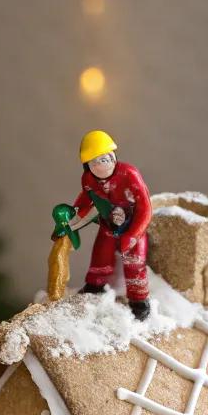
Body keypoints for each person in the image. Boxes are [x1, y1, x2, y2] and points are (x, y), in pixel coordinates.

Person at [64, 129, 152, 320]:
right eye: (94, 162)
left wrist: (133, 234)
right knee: (100, 256)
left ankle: (139, 301)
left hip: (132, 226)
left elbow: (145, 208)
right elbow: (86, 199)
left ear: (113, 157)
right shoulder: (88, 180)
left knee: (134, 263)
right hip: (108, 226)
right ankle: (96, 286)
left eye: (105, 159)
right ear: (87, 166)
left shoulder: (130, 175)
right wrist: (74, 214)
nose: (101, 165)